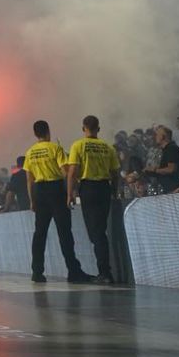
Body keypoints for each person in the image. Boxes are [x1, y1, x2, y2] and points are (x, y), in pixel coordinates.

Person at [24, 120, 92, 284]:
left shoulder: (30, 152)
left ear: (35, 134)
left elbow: (29, 180)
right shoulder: (55, 148)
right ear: (48, 132)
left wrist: (32, 201)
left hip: (39, 192)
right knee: (64, 232)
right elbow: (65, 172)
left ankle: (37, 272)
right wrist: (72, 189)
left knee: (39, 233)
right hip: (55, 190)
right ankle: (73, 271)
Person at [66, 116, 121, 285]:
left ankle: (105, 272)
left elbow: (73, 171)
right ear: (99, 128)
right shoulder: (107, 147)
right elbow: (115, 172)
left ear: (84, 128)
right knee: (99, 230)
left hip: (88, 188)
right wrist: (114, 190)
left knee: (96, 233)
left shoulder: (78, 145)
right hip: (104, 188)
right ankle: (104, 271)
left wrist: (70, 193)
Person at [144, 125, 179, 193]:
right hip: (169, 188)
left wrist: (154, 170)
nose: (155, 137)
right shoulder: (167, 149)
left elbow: (171, 169)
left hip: (173, 189)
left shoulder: (171, 149)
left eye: (157, 135)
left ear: (162, 137)